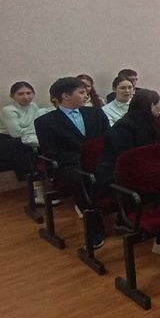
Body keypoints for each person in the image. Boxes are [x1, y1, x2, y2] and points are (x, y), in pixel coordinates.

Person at [94, 90, 160, 251]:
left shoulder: (148, 122)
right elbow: (126, 159)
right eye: (159, 104)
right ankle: (157, 231)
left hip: (138, 168)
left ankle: (157, 224)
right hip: (114, 174)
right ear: (151, 106)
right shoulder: (124, 127)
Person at [35, 77, 109, 227]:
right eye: (81, 92)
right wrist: (84, 158)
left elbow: (108, 138)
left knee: (121, 168)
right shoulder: (45, 122)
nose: (86, 96)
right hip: (70, 164)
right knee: (81, 177)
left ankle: (124, 215)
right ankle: (93, 224)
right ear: (66, 96)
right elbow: (52, 151)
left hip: (99, 158)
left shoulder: (95, 113)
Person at [0, 82, 41, 184]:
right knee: (25, 145)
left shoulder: (34, 106)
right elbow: (17, 133)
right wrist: (32, 130)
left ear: (34, 93)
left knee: (43, 143)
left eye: (29, 93)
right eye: (20, 94)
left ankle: (41, 179)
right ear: (12, 96)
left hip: (20, 139)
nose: (26, 97)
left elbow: (36, 125)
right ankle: (30, 180)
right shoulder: (8, 110)